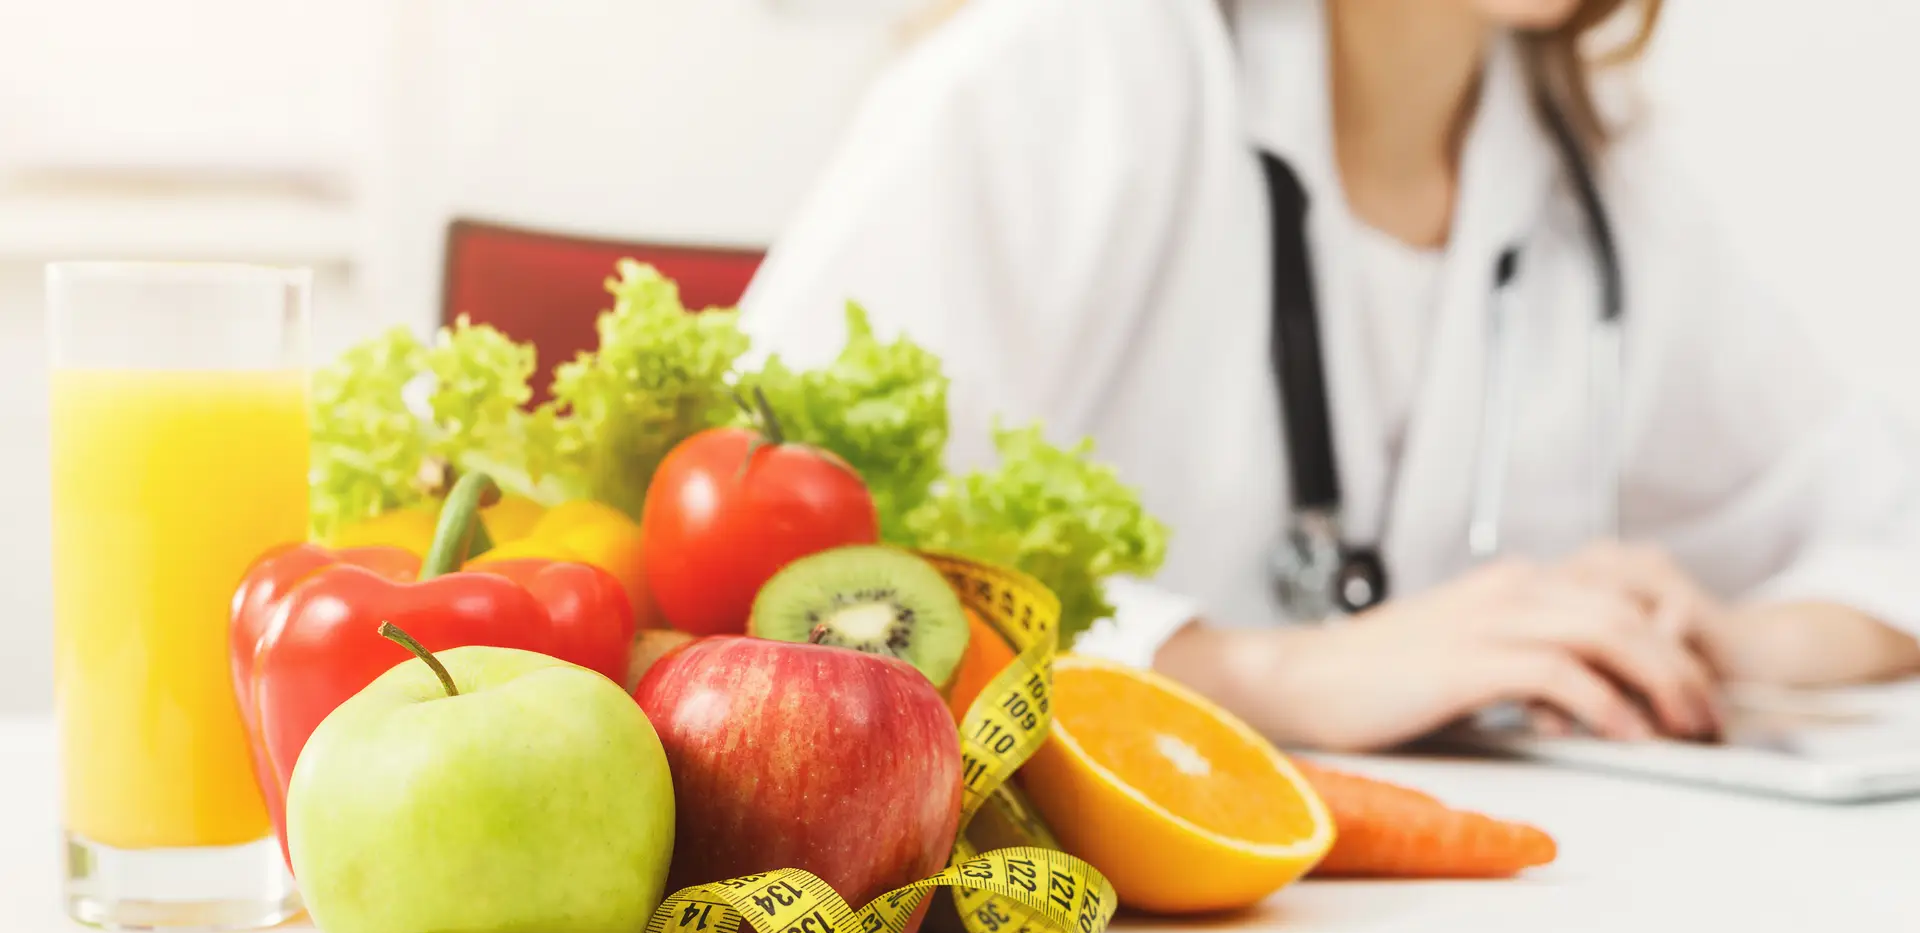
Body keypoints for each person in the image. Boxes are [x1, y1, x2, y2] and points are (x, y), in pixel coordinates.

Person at [739, 0, 1920, 751]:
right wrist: (1265, 674)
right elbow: (758, 539)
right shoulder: (1069, 60)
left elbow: (1889, 520)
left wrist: (1718, 641)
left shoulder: (1594, 163)